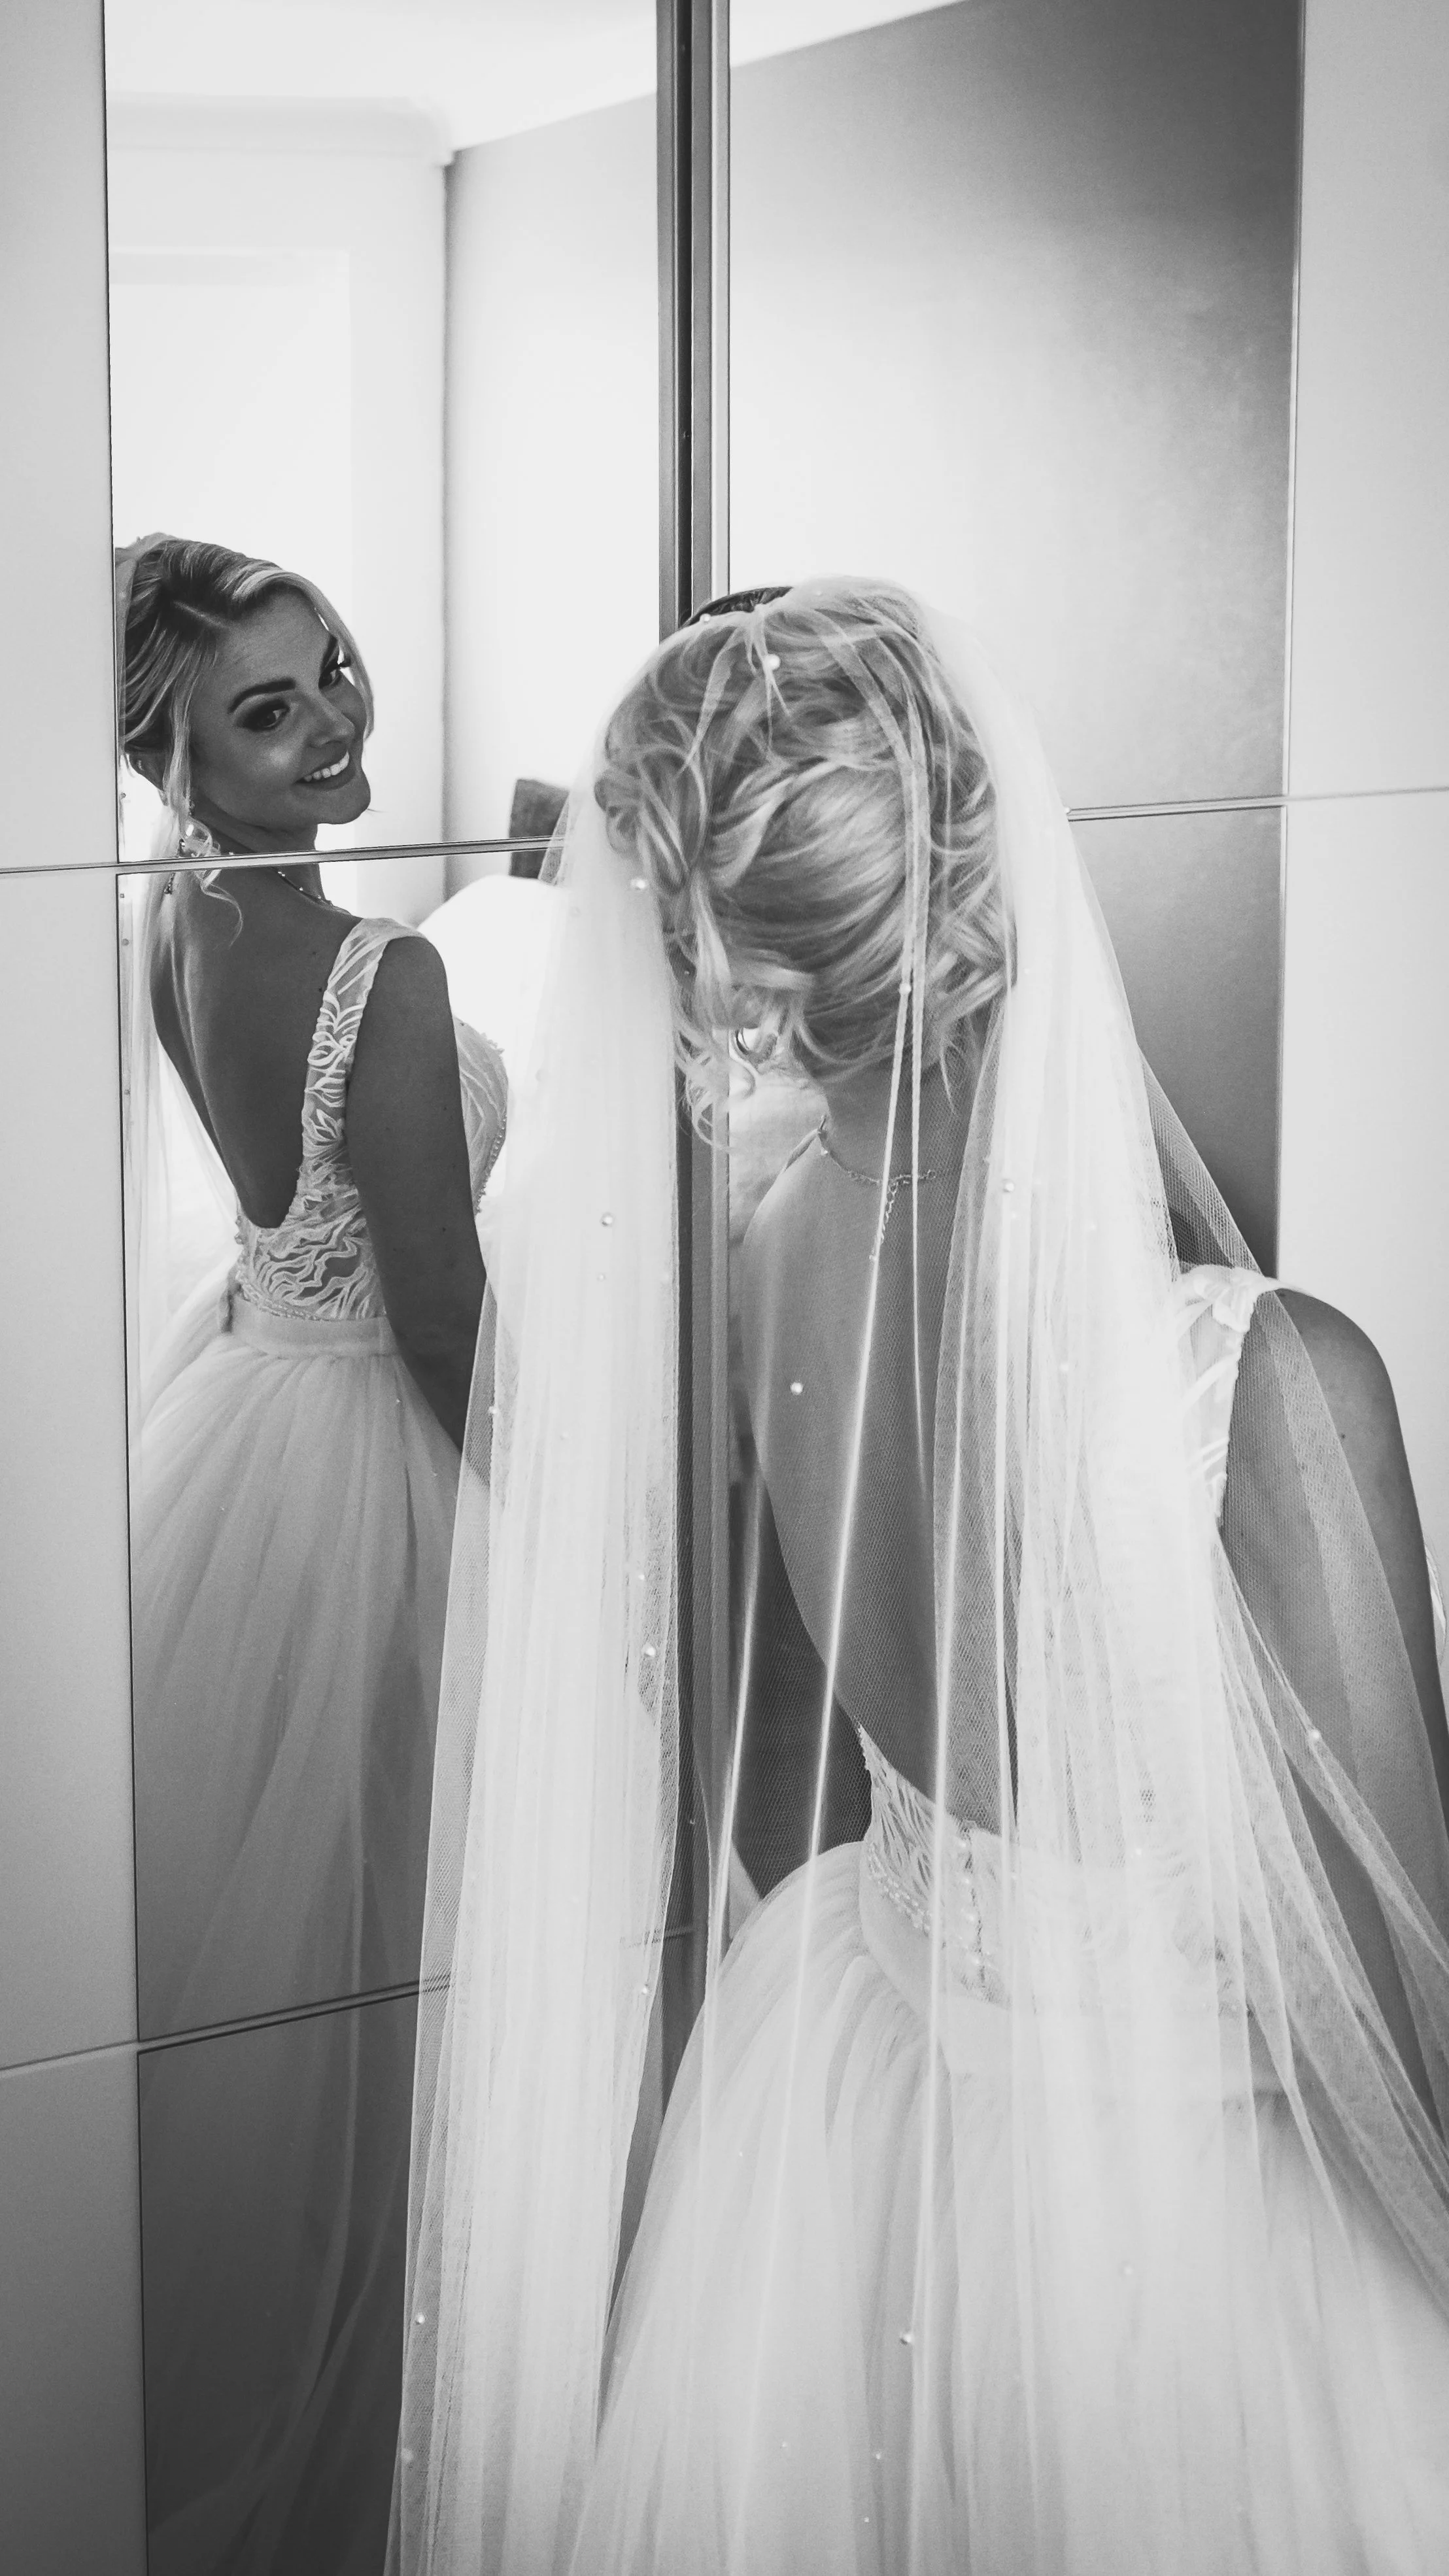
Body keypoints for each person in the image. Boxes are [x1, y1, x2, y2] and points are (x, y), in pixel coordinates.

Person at [393, 582, 1449, 2575]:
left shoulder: (765, 1257)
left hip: (865, 2115)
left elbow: (777, 1770)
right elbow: (1397, 1992)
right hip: (1207, 2246)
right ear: (996, 857)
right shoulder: (1274, 1381)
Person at [117, 536, 507, 2574]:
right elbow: (443, 1323)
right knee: (379, 1976)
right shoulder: (384, 973)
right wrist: (564, 1534)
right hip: (370, 1454)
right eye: (265, 713)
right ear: (169, 758)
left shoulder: (172, 922)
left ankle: (252, 2366)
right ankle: (364, 2420)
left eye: (332, 666)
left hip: (246, 1411)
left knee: (267, 1966)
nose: (334, 723)